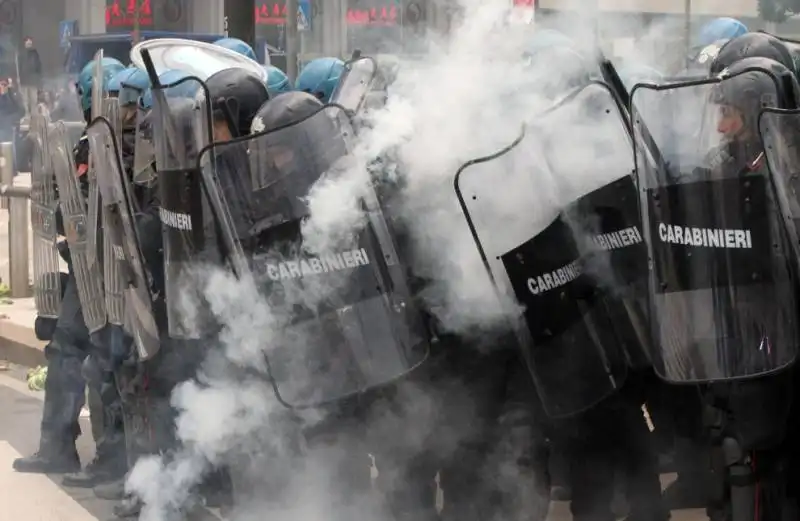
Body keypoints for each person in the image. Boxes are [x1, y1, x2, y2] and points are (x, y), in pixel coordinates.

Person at [18, 36, 42, 119]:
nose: (29, 44)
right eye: (27, 42)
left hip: (33, 80)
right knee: (25, 99)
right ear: (24, 43)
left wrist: (39, 78)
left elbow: (38, 66)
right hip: (24, 80)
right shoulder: (21, 53)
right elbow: (19, 67)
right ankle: (27, 114)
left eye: (30, 42)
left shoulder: (34, 53)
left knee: (33, 98)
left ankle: (34, 114)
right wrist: (19, 78)